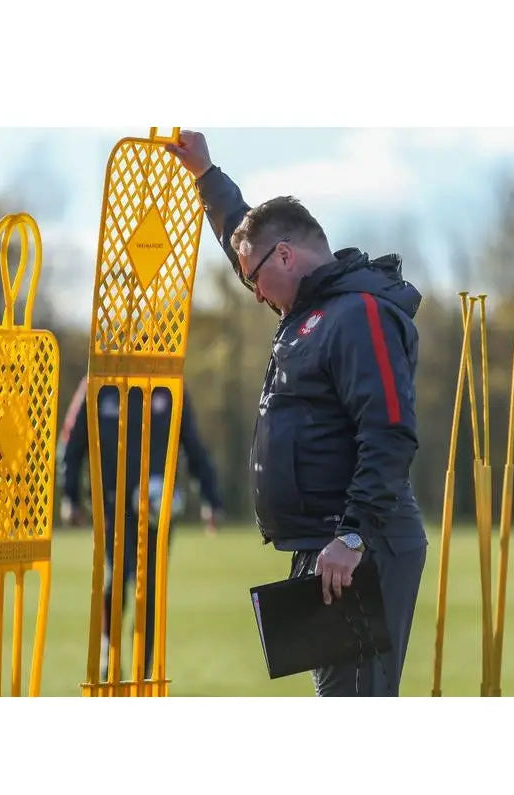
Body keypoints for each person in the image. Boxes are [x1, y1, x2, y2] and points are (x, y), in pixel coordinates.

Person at [165, 131, 428, 697]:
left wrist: (353, 536)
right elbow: (246, 233)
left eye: (256, 279)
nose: (254, 294)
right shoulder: (308, 304)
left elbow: (390, 433)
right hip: (324, 545)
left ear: (286, 256)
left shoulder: (357, 313)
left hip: (360, 545)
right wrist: (206, 177)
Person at [59, 376, 224, 679]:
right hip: (113, 505)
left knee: (149, 587)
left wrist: (211, 499)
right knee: (116, 577)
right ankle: (110, 653)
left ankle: (142, 666)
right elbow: (73, 440)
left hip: (157, 512)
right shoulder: (98, 382)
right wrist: (69, 495)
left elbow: (193, 444)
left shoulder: (169, 384)